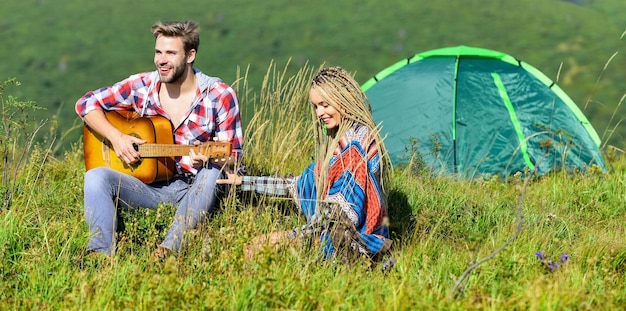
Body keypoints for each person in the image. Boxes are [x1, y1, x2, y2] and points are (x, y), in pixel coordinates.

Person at [75, 20, 243, 258]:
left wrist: (209, 160)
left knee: (211, 172)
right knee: (95, 176)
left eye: (171, 53)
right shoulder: (142, 86)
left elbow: (234, 158)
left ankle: (168, 249)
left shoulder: (219, 96)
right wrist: (117, 137)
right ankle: (99, 254)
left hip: (196, 189)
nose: (161, 60)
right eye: (158, 52)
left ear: (190, 55)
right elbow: (85, 104)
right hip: (148, 186)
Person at [219, 66, 392, 262]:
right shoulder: (342, 143)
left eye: (325, 105)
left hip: (353, 246)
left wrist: (288, 238)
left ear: (344, 98)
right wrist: (243, 181)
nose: (319, 113)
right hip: (334, 237)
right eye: (316, 106)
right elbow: (297, 185)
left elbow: (341, 214)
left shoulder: (355, 146)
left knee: (257, 252)